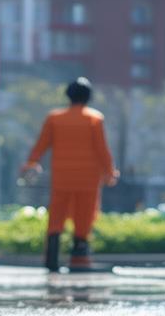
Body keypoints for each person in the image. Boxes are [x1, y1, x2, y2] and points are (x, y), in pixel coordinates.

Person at [19, 77, 118, 272]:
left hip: (62, 178)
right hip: (88, 179)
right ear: (89, 96)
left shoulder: (54, 118)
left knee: (56, 216)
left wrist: (31, 162)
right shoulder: (94, 119)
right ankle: (79, 258)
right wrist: (109, 172)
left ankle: (52, 258)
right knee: (84, 216)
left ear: (68, 95)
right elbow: (102, 149)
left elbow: (41, 144)